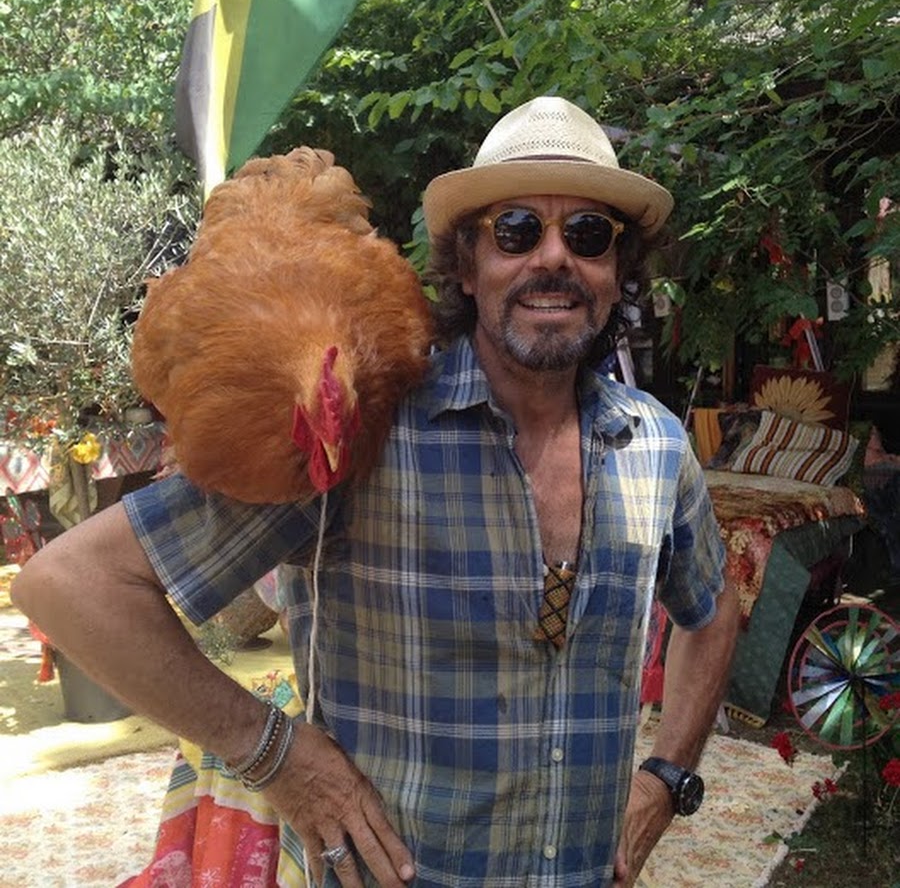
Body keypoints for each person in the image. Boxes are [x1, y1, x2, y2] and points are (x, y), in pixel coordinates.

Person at [13, 96, 739, 888]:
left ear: (617, 269)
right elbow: (69, 585)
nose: (554, 257)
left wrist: (667, 777)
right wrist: (274, 751)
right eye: (517, 230)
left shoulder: (656, 448)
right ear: (467, 265)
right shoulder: (365, 433)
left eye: (589, 234)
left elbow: (712, 608)